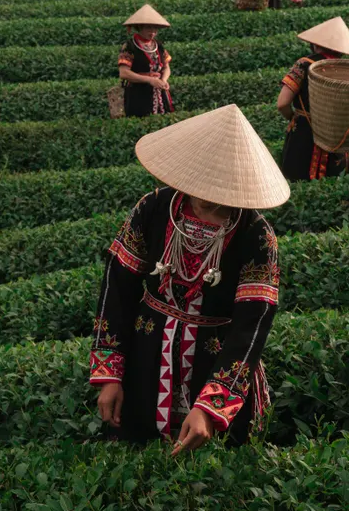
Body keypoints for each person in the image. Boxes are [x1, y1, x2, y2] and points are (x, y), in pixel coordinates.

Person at [90, 103, 290, 454]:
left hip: (214, 358)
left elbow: (251, 327)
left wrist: (210, 406)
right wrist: (111, 374)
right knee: (139, 453)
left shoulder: (257, 236)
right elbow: (117, 287)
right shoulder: (152, 209)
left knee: (215, 462)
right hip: (147, 352)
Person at [277, 17, 349, 181]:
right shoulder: (348, 71)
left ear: (316, 44)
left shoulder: (304, 64)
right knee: (331, 183)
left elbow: (282, 104)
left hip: (305, 132)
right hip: (336, 134)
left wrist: (293, 118)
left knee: (297, 180)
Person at [118, 4, 174, 117]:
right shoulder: (130, 46)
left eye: (155, 28)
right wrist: (149, 80)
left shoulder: (158, 45)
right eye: (149, 28)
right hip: (138, 93)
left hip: (159, 92)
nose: (152, 32)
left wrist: (163, 80)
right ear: (140, 27)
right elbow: (124, 73)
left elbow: (166, 67)